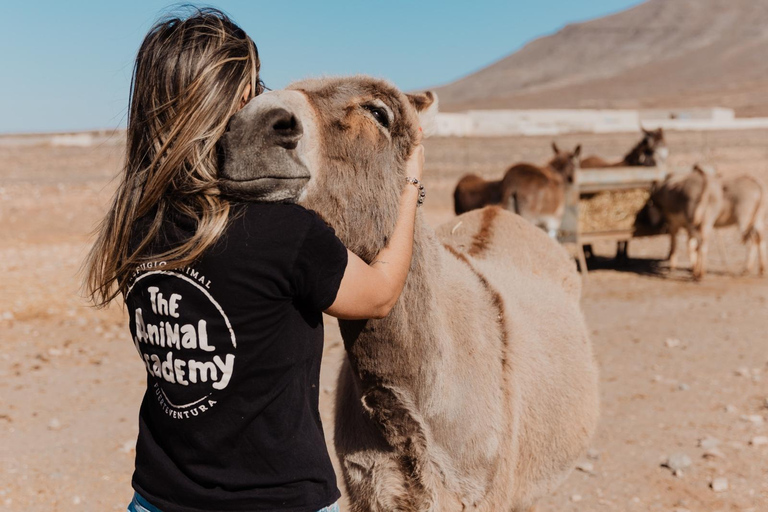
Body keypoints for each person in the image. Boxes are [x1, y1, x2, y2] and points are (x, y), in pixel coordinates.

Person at [84, 8, 424, 512]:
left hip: (158, 498)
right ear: (233, 101)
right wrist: (410, 179)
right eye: (255, 85)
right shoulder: (282, 233)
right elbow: (379, 295)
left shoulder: (136, 225)